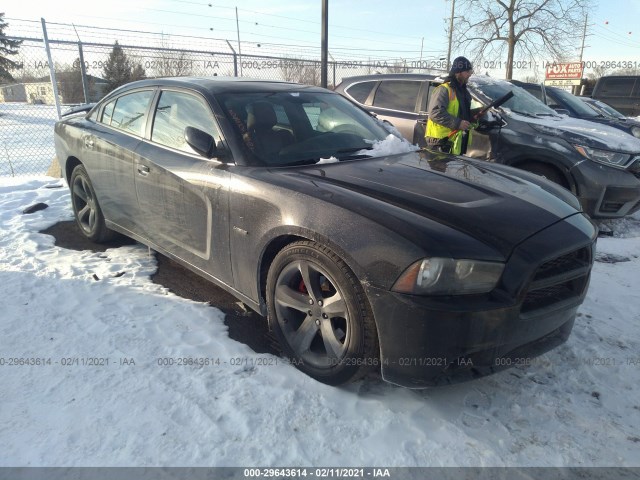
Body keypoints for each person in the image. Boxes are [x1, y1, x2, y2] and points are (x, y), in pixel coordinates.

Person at [425, 56, 474, 154]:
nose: (469, 74)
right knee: (438, 169)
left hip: (455, 141)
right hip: (440, 141)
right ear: (458, 72)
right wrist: (458, 123)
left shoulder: (464, 92)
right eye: (467, 72)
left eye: (470, 72)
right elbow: (435, 112)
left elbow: (464, 113)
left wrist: (475, 117)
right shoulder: (443, 89)